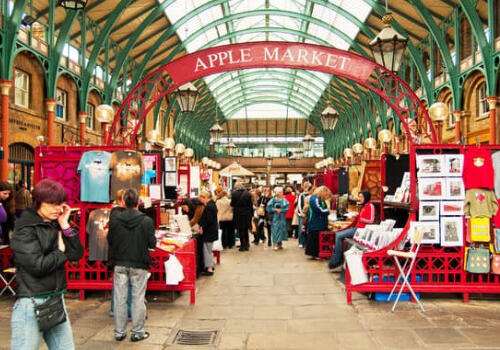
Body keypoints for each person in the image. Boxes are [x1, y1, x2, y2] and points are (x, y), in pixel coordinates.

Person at [10, 179, 84, 350]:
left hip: (55, 299)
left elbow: (76, 254)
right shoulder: (25, 229)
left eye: (60, 204)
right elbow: (38, 266)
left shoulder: (53, 224)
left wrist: (65, 224)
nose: (57, 209)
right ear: (38, 202)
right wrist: (59, 252)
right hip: (32, 303)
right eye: (52, 204)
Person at [108, 188, 156, 342]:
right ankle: (137, 331)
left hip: (120, 262)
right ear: (137, 202)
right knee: (138, 297)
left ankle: (119, 332)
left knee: (120, 298)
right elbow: (152, 243)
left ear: (124, 202)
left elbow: (110, 240)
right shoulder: (146, 220)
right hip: (139, 263)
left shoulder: (115, 220)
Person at [329, 190, 376, 271]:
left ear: (366, 197)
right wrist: (355, 215)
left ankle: (336, 260)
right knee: (338, 235)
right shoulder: (364, 206)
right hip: (358, 228)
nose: (360, 198)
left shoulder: (370, 206)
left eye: (362, 197)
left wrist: (358, 217)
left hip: (361, 230)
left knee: (339, 235)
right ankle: (336, 259)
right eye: (360, 197)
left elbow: (371, 220)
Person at [109, 189, 132, 319]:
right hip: (120, 253)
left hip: (119, 252)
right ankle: (119, 309)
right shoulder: (117, 213)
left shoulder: (117, 212)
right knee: (122, 282)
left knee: (119, 282)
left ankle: (115, 308)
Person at [305, 186, 331, 259]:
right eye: (326, 194)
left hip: (320, 224)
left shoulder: (318, 199)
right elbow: (319, 210)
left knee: (317, 239)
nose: (326, 196)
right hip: (316, 224)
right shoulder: (314, 199)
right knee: (315, 239)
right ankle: (315, 254)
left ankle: (318, 253)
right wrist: (328, 209)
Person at [198, 191, 219, 276]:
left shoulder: (209, 207)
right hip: (212, 231)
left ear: (205, 197)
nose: (201, 201)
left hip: (208, 232)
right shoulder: (212, 205)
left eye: (201, 199)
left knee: (207, 250)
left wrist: (202, 226)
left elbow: (208, 220)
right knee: (209, 250)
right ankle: (210, 266)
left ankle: (209, 268)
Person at [230, 182, 253, 251]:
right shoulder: (248, 194)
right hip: (247, 213)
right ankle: (247, 244)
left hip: (238, 213)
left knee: (240, 229)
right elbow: (250, 205)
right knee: (246, 229)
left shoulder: (234, 194)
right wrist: (251, 214)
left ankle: (243, 245)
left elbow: (232, 204)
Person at [296, 182, 311, 248]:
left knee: (305, 229)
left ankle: (305, 242)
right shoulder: (301, 195)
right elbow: (299, 205)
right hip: (302, 215)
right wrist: (302, 213)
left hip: (308, 214)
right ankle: (301, 242)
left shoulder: (310, 195)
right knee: (302, 229)